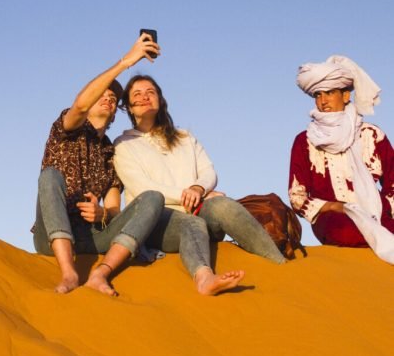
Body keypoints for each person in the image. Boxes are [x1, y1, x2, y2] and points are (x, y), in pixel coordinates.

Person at [114, 75, 285, 296]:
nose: (145, 97)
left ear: (160, 99)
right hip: (158, 220)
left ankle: (279, 264)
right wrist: (186, 194)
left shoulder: (184, 137)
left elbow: (208, 171)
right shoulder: (124, 144)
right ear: (129, 106)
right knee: (191, 224)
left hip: (197, 207)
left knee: (224, 205)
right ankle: (204, 279)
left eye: (151, 92)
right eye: (137, 94)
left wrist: (198, 189)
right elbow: (142, 187)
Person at [32, 34, 166, 295]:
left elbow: (114, 209)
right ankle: (68, 272)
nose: (108, 98)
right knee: (49, 176)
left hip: (94, 239)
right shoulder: (66, 129)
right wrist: (126, 61)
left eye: (113, 98)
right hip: (53, 237)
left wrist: (102, 214)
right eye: (101, 94)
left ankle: (100, 272)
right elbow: (80, 104)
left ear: (116, 111)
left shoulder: (110, 153)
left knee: (153, 199)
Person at [289, 55, 394, 259]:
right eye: (318, 94)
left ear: (346, 96)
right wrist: (333, 206)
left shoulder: (371, 135)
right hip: (334, 218)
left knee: (382, 229)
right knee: (347, 232)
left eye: (329, 93)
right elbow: (296, 196)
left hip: (377, 213)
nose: (323, 100)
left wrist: (386, 209)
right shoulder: (305, 141)